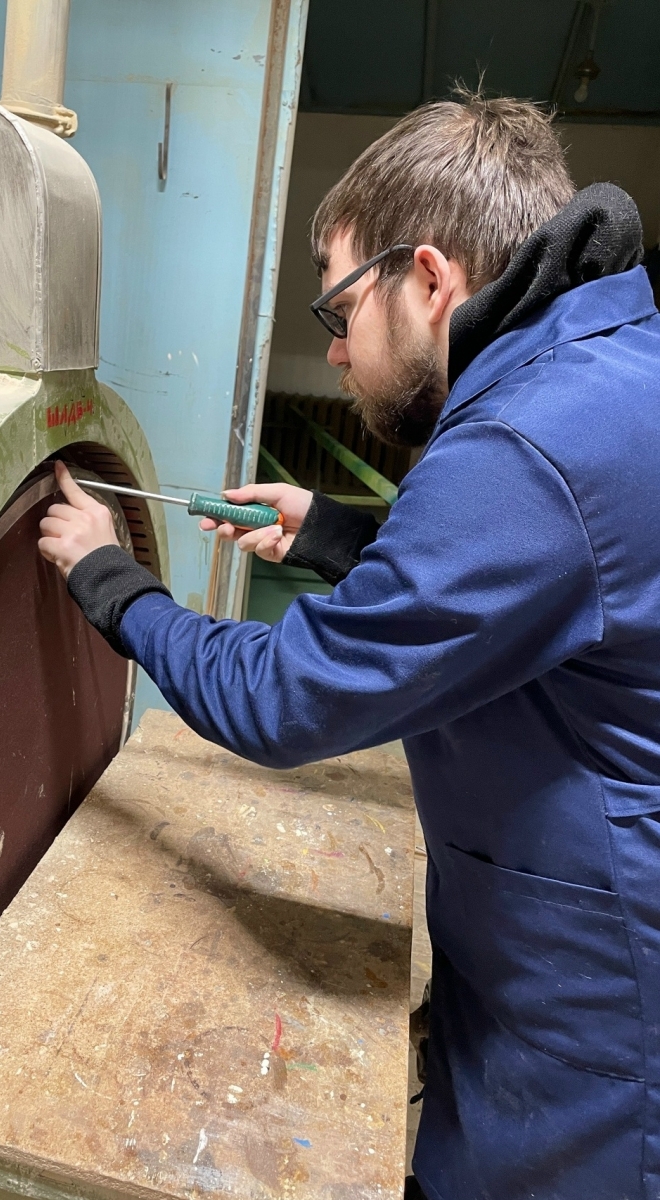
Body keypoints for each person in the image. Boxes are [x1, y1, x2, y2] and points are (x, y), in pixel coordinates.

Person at [38, 92, 660, 1200]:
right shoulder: (597, 376)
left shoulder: (529, 447)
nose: (332, 351)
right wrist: (336, 535)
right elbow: (529, 589)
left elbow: (289, 697)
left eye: (338, 307)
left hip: (601, 1025)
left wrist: (112, 583)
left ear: (428, 278)